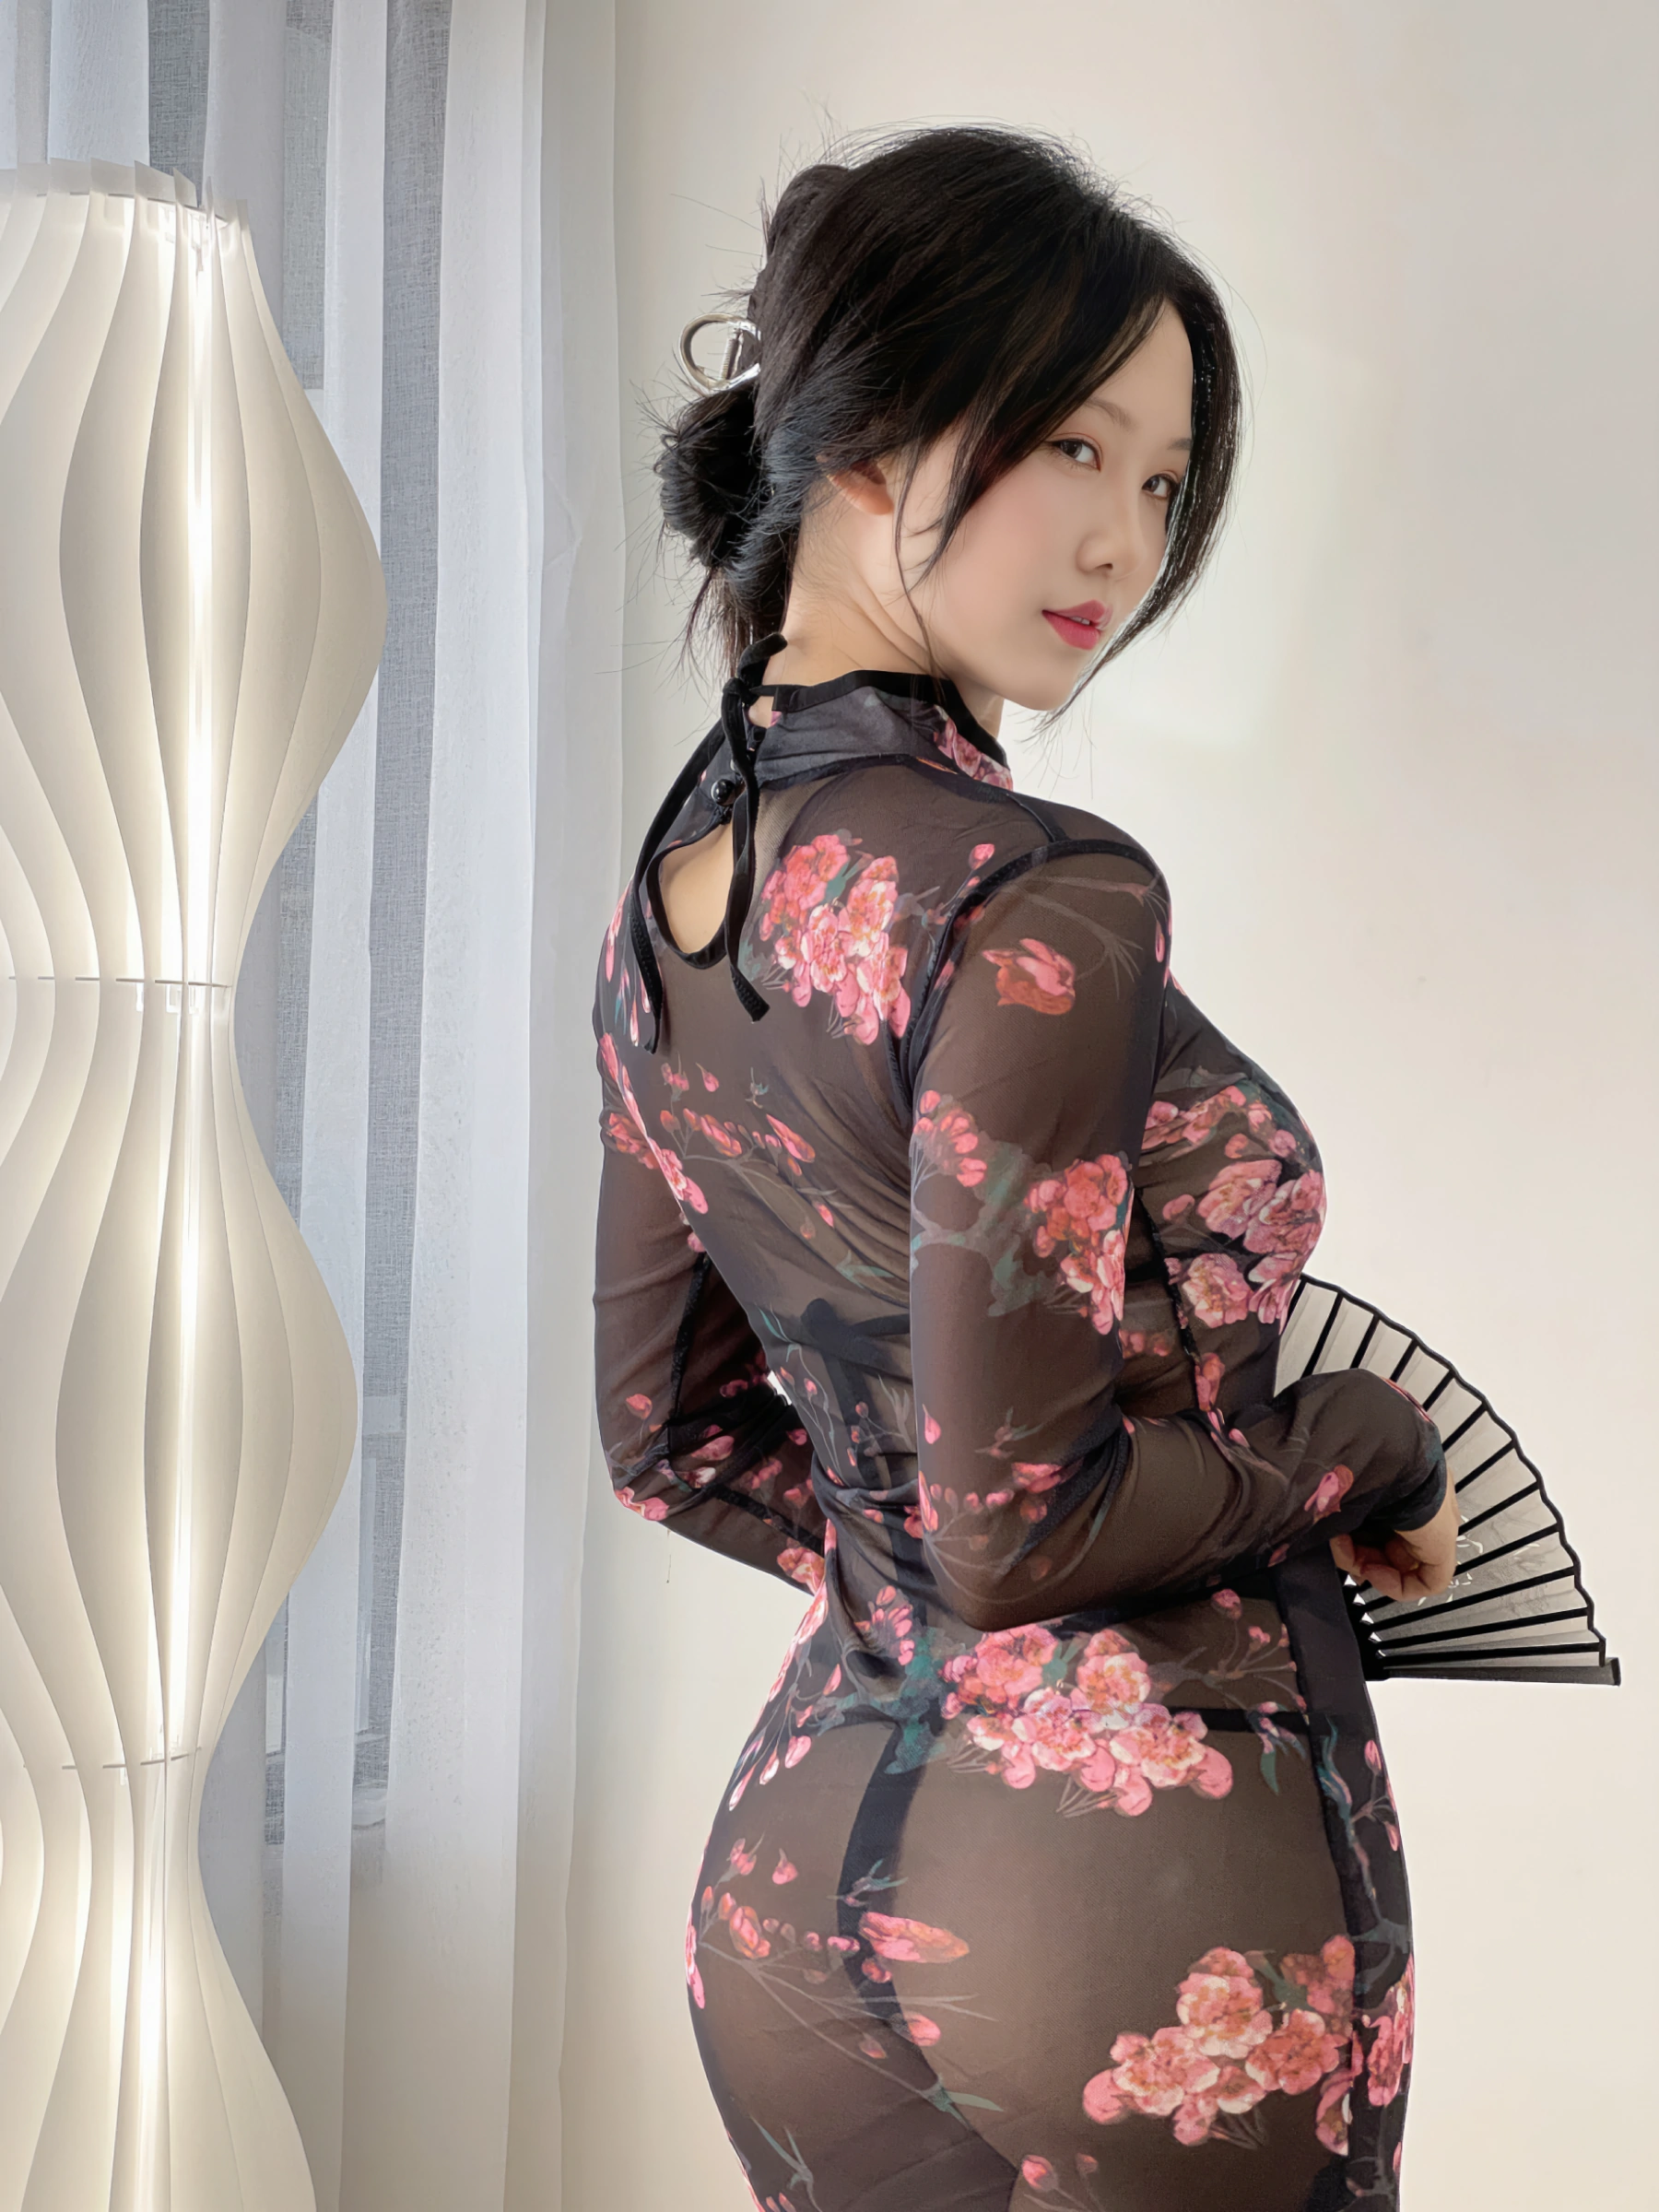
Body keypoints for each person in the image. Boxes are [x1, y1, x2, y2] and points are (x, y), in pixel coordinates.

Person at [591, 125, 1459, 2212]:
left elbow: (669, 1440)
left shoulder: (675, 892)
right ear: (866, 431)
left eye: (1164, 482)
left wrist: (918, 1582)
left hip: (795, 1888)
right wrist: (1357, 1448)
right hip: (1125, 1916)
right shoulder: (1042, 889)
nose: (1123, 537)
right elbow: (1018, 1523)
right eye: (1075, 445)